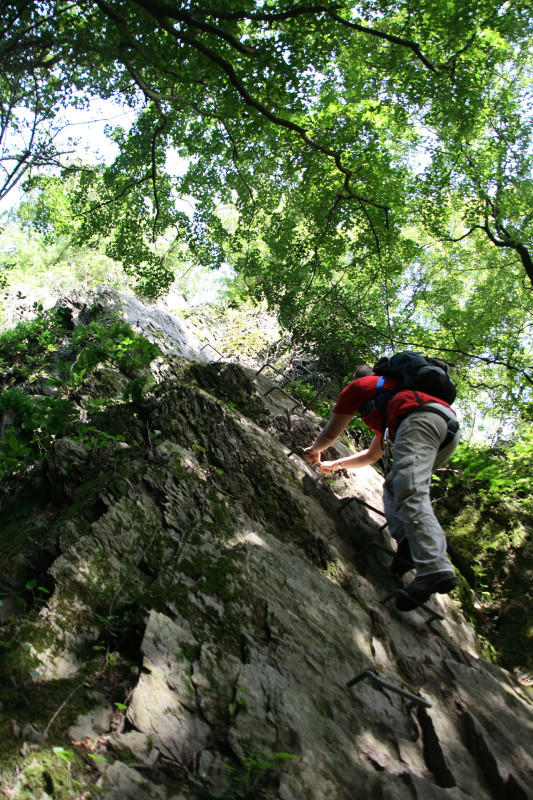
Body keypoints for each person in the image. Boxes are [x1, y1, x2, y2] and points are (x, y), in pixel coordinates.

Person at [304, 361, 460, 610]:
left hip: (422, 422)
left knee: (410, 487)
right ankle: (409, 545)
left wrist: (315, 450)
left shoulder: (361, 387)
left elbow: (330, 435)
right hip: (447, 428)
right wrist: (336, 465)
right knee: (395, 486)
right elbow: (371, 455)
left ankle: (434, 568)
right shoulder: (394, 397)